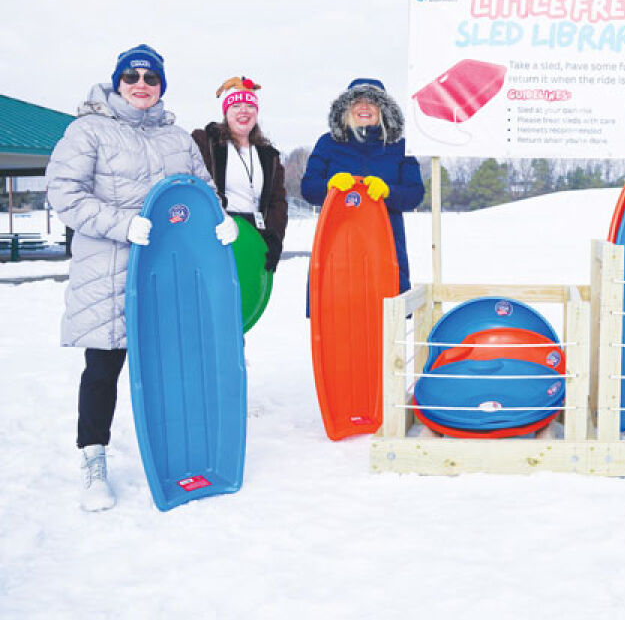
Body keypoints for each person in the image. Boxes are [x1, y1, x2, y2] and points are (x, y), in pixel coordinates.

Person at [46, 44, 237, 512]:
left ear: (161, 87)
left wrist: (219, 219)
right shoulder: (88, 130)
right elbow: (63, 193)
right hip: (111, 270)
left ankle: (182, 454)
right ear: (117, 81)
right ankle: (94, 462)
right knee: (104, 368)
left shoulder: (177, 138)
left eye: (151, 79)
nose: (141, 85)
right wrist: (121, 223)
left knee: (174, 365)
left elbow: (201, 190)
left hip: (169, 275)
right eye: (131, 76)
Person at [301, 78, 424, 294]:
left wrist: (389, 191)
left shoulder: (399, 146)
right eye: (357, 101)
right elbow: (308, 188)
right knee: (337, 310)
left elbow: (415, 194)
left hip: (385, 247)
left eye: (373, 101)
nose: (364, 106)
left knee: (385, 313)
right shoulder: (328, 143)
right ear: (346, 108)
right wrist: (329, 187)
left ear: (384, 110)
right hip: (337, 246)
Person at [192, 77, 289, 273]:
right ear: (226, 112)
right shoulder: (206, 144)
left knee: (249, 298)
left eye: (249, 106)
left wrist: (274, 237)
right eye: (236, 105)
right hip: (219, 233)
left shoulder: (268, 155)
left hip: (254, 236)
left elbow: (277, 201)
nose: (244, 111)